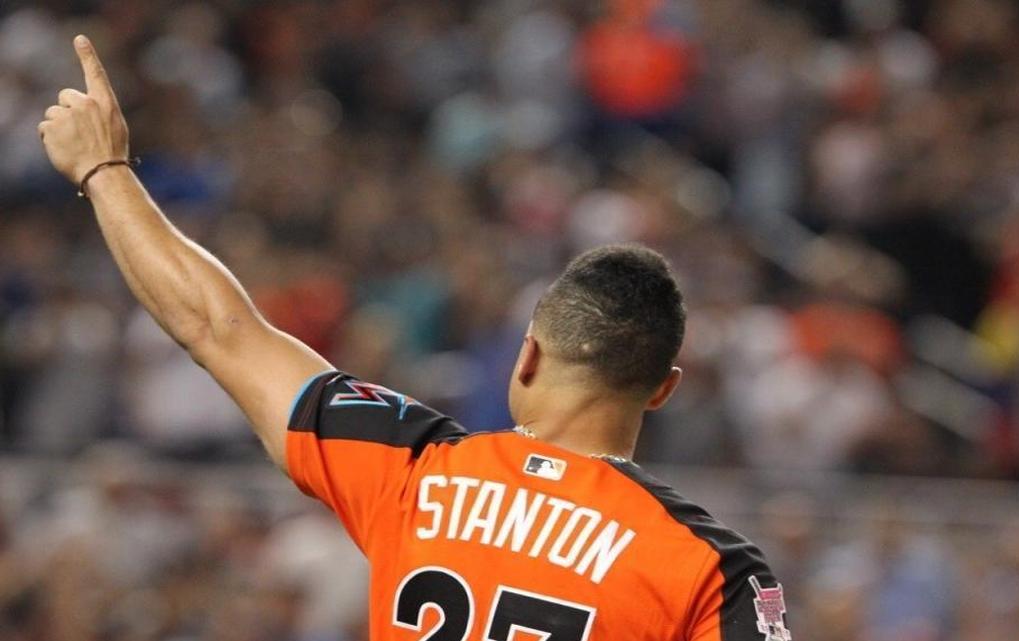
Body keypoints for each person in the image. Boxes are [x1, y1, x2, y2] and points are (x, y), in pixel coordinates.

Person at [38, 35, 792, 640]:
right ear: (663, 387)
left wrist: (104, 170)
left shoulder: (411, 467)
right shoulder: (713, 569)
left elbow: (217, 325)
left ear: (527, 354)